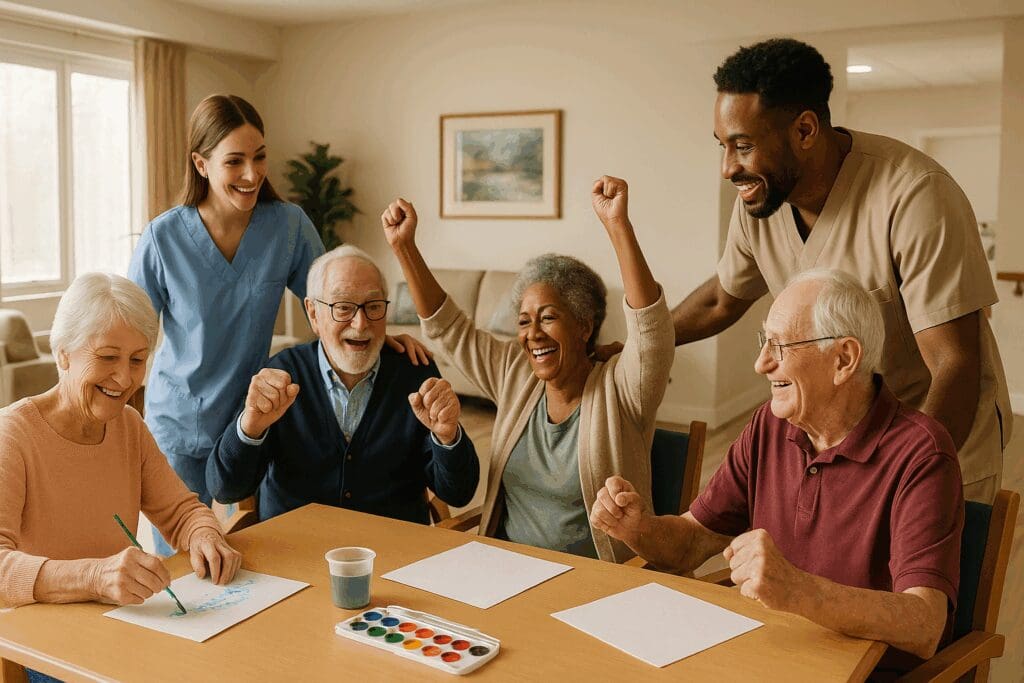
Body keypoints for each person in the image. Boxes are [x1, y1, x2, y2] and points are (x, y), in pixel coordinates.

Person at [599, 38, 1010, 503]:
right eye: (722, 146)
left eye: (744, 146)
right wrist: (640, 344)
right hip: (835, 433)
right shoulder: (761, 200)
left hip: (935, 434)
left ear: (806, 130)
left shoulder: (915, 196)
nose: (727, 168)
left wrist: (908, 476)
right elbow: (721, 299)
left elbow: (953, 363)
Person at [591, 269, 963, 664]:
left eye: (780, 345)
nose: (761, 363)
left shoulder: (922, 453)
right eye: (763, 342)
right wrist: (638, 528)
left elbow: (924, 623)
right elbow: (692, 542)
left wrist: (798, 590)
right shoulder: (770, 425)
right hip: (761, 656)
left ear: (844, 358)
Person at [128, 95, 427, 553]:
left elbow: (334, 297)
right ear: (201, 164)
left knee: (251, 550)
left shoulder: (287, 226)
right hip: (180, 424)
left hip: (257, 415)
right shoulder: (164, 238)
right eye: (235, 161)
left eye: (260, 156)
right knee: (186, 561)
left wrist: (374, 332)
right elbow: (131, 331)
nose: (252, 174)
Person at [382, 176, 675, 561]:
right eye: (523, 321)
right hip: (505, 570)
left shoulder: (622, 388)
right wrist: (404, 247)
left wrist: (618, 226)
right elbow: (449, 328)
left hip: (594, 584)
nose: (532, 334)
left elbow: (651, 332)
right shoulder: (515, 373)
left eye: (548, 317)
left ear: (584, 326)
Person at [0, 273, 241, 613]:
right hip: (39, 642)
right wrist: (94, 576)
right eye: (108, 357)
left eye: (137, 360)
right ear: (64, 354)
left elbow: (181, 512)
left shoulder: (127, 424)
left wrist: (205, 535)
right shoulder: (12, 434)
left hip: (117, 621)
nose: (125, 378)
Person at [206, 246, 480, 524]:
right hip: (294, 552)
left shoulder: (414, 373)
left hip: (393, 554)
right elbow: (225, 488)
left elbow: (459, 493)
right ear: (313, 314)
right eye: (343, 308)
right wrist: (250, 427)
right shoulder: (281, 375)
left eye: (373, 307)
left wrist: (449, 438)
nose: (360, 324)